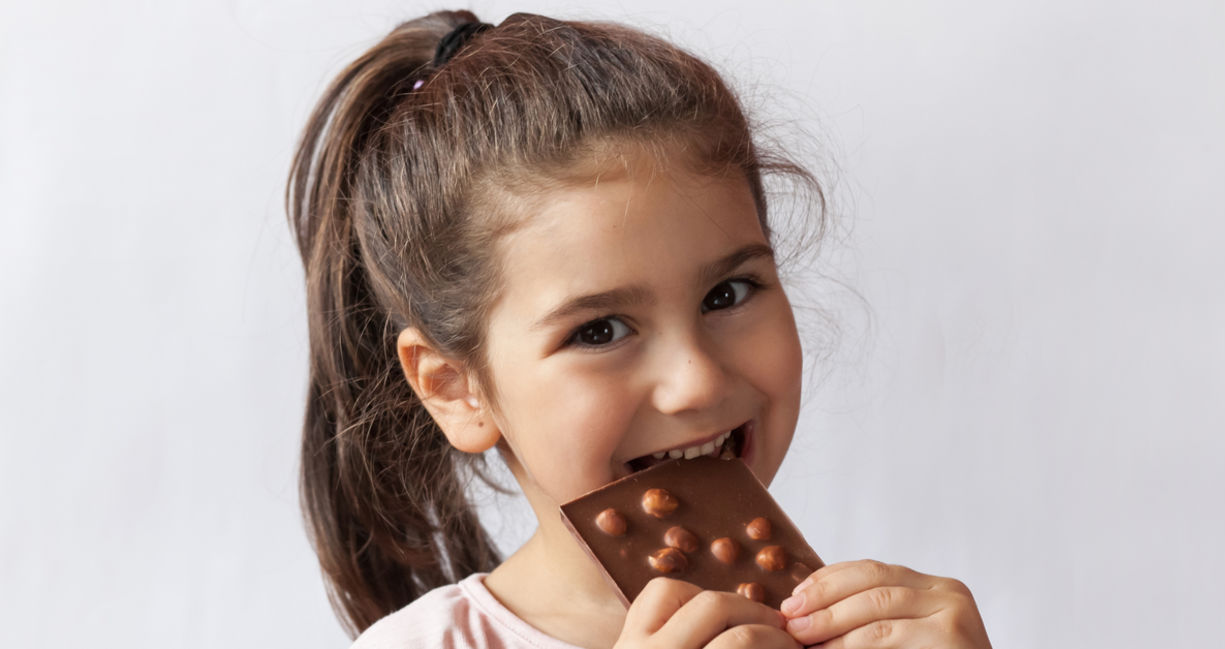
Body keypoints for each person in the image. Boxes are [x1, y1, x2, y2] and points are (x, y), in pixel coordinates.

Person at [286, 9, 992, 649]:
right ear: (456, 388)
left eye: (728, 291)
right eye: (599, 330)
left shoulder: (867, 630)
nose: (698, 380)